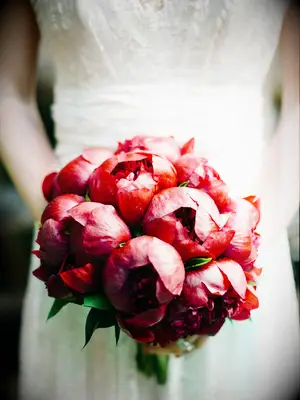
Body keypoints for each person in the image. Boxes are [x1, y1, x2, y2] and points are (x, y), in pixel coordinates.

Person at [0, 1, 299, 399]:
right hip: (79, 261)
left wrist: (236, 274)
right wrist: (76, 238)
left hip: (239, 251)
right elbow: (8, 95)